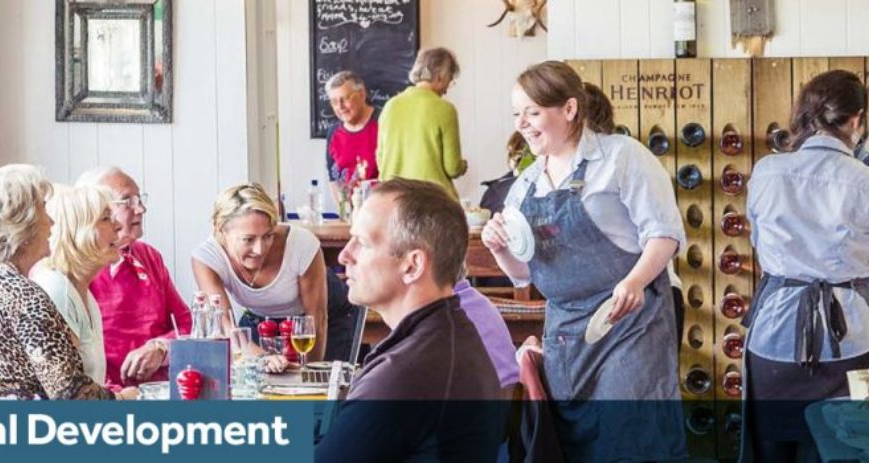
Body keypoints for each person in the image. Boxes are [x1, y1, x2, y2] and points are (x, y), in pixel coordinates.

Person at [481, 61, 685, 462]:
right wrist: (499, 247)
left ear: (569, 109)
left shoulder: (622, 158)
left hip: (628, 325)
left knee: (629, 440)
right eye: (516, 114)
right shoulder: (525, 186)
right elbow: (523, 275)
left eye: (533, 112)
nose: (521, 123)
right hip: (566, 335)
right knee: (574, 446)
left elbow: (665, 233)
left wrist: (635, 280)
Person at [742, 70, 869, 461]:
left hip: (774, 333)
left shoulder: (766, 172)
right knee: (848, 448)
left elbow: (758, 241)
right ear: (856, 120)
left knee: (773, 451)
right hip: (849, 336)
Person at [317, 179, 505, 462]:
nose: (345, 255)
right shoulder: (445, 332)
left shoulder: (409, 373)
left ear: (412, 265)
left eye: (363, 243)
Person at [0, 164, 131, 400]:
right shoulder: (24, 297)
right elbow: (72, 396)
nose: (52, 221)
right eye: (44, 208)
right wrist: (126, 400)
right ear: (23, 224)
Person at [79, 168, 191, 389]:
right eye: (127, 201)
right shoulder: (79, 268)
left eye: (139, 199)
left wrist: (160, 347)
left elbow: (187, 324)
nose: (141, 208)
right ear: (95, 211)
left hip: (159, 391)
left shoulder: (149, 256)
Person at [191, 184, 329, 359]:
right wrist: (264, 359)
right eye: (248, 239)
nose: (260, 249)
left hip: (313, 322)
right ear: (221, 230)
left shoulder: (302, 244)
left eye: (268, 236)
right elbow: (225, 324)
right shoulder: (207, 257)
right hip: (260, 320)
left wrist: (309, 375)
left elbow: (317, 320)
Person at [29, 184, 123, 385]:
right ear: (75, 232)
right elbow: (64, 389)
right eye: (106, 218)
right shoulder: (56, 289)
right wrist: (123, 399)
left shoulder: (83, 294)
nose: (119, 226)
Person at [378, 47, 469, 199]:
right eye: (450, 79)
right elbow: (452, 167)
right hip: (433, 200)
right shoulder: (445, 109)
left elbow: (381, 159)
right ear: (440, 76)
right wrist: (462, 166)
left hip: (394, 200)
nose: (447, 89)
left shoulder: (390, 106)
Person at [325, 71, 380, 185]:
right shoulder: (333, 133)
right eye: (334, 102)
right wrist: (343, 203)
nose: (340, 107)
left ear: (362, 94)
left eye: (345, 99)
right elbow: (334, 180)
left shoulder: (384, 122)